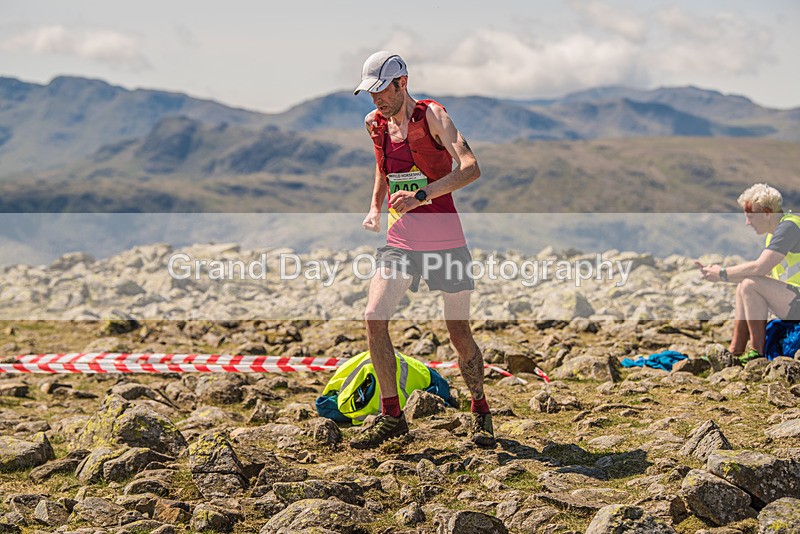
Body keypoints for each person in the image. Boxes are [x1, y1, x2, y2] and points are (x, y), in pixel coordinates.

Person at [349, 51, 494, 449]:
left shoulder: (432, 116)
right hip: (401, 241)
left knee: (458, 334)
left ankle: (480, 408)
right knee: (374, 316)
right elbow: (384, 168)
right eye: (370, 92)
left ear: (402, 83)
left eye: (381, 90)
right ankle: (392, 415)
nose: (376, 98)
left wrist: (422, 195)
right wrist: (375, 207)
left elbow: (470, 167)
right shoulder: (373, 124)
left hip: (446, 240)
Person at [698, 183, 800, 367]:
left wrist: (721, 273)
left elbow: (759, 268)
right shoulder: (776, 233)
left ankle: (757, 353)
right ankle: (734, 351)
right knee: (743, 286)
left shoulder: (789, 228)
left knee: (749, 285)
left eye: (751, 216)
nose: (747, 222)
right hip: (793, 300)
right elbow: (758, 273)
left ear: (767, 213)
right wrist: (719, 275)